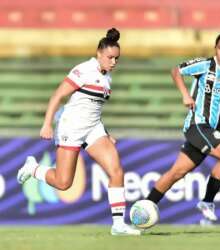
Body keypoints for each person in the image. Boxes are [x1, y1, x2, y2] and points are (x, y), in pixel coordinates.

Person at [17, 28, 140, 236]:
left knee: (116, 171)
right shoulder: (83, 70)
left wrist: (106, 133)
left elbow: (93, 109)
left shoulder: (107, 77)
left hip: (93, 129)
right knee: (63, 183)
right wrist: (47, 124)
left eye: (117, 59)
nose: (113, 62)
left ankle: (118, 224)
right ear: (99, 53)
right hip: (71, 128)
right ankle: (34, 169)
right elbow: (57, 96)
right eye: (110, 57)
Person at [146, 33, 220, 223]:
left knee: (176, 173)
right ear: (215, 48)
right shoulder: (204, 65)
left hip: (209, 130)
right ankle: (207, 202)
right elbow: (176, 71)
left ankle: (144, 209)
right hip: (197, 125)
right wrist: (185, 95)